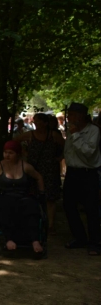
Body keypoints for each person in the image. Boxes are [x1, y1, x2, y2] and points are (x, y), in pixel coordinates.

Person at [0, 140, 45, 253]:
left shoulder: (25, 167)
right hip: (5, 196)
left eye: (11, 153)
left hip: (23, 196)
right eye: (5, 152)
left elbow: (39, 177)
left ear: (18, 154)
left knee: (32, 208)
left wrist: (41, 193)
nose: (7, 155)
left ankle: (35, 240)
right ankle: (9, 239)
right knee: (5, 208)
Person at [14, 113, 64, 232]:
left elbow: (66, 147)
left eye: (38, 121)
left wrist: (60, 157)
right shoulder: (30, 135)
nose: (35, 123)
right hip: (34, 168)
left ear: (45, 123)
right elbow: (15, 141)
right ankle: (35, 221)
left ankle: (50, 225)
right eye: (35, 121)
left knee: (50, 198)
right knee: (33, 195)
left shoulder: (53, 135)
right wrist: (24, 152)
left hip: (50, 170)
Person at [62, 102, 101, 255]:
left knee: (91, 208)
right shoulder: (71, 130)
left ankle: (95, 242)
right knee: (69, 205)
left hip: (88, 173)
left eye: (71, 114)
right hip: (72, 173)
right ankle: (79, 237)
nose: (68, 117)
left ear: (80, 116)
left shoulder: (93, 131)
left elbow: (88, 152)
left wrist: (76, 134)